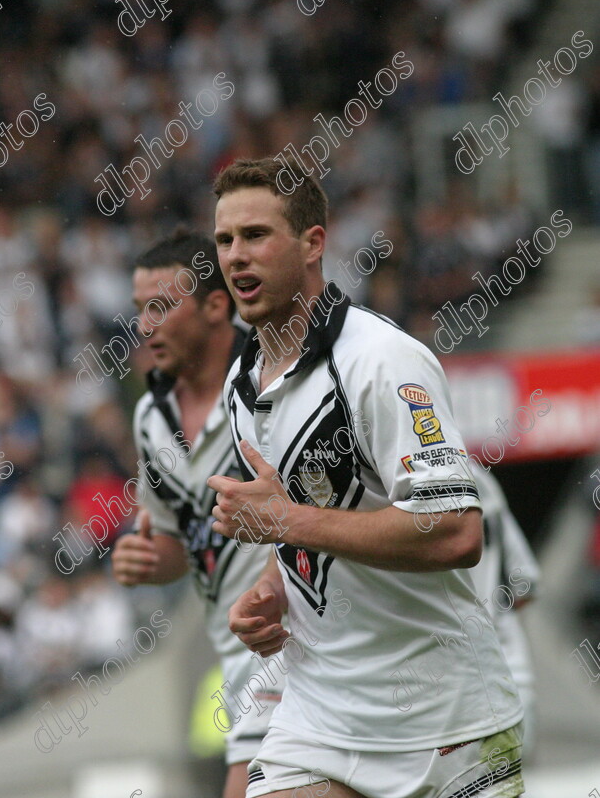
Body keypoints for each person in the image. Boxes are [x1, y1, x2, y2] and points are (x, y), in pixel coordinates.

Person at [207, 158, 525, 798]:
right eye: (224, 240)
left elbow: (458, 534)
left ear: (313, 242)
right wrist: (272, 590)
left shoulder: (385, 361)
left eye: (257, 235)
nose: (236, 256)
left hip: (448, 724)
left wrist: (284, 522)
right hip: (322, 716)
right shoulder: (241, 384)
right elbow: (305, 531)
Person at [111, 228, 281, 798]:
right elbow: (176, 545)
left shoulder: (273, 385)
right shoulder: (150, 418)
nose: (144, 327)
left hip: (299, 646)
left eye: (160, 307)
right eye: (139, 310)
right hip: (233, 663)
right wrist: (144, 559)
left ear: (215, 306)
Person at [468, 467, 539, 759]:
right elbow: (525, 586)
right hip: (509, 671)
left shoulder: (383, 492)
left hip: (443, 686)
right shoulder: (480, 477)